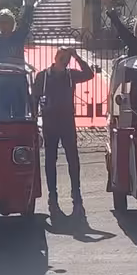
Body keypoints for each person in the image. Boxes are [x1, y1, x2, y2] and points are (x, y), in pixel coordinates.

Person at [33, 47, 94, 215]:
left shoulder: (70, 75)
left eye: (67, 58)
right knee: (50, 160)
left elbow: (89, 74)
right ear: (55, 57)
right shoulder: (43, 76)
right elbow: (34, 98)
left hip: (67, 121)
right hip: (50, 121)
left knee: (72, 158)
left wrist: (76, 56)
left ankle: (76, 192)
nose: (64, 60)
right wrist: (33, 120)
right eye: (62, 57)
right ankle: (53, 195)